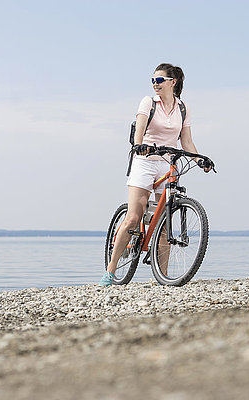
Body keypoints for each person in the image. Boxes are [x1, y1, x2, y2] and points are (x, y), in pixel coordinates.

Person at [99, 63, 211, 287]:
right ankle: (110, 272)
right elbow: (139, 131)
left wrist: (200, 160)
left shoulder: (183, 108)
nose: (154, 84)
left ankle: (164, 275)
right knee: (133, 217)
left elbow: (186, 141)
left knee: (164, 224)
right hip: (145, 162)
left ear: (173, 82)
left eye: (159, 80)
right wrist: (140, 145)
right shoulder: (148, 102)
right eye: (152, 80)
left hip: (167, 163)